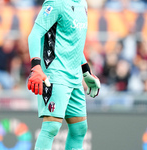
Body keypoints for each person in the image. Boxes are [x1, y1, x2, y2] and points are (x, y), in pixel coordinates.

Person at [27, 0, 100, 149]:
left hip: (74, 77)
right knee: (52, 126)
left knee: (79, 129)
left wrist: (86, 71)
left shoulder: (83, 4)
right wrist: (36, 67)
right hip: (55, 73)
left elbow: (73, 44)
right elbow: (34, 34)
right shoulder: (56, 3)